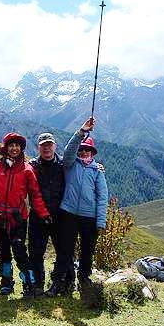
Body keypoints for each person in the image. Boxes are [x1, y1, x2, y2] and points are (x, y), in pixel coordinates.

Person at [0, 132, 50, 296]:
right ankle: (6, 282)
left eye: (17, 146)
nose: (14, 148)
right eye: (11, 145)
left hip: (18, 219)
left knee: (19, 251)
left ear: (21, 149)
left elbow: (35, 194)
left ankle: (28, 283)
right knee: (4, 252)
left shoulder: (27, 170)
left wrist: (43, 213)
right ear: (6, 148)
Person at [47, 118, 108, 297]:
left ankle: (84, 281)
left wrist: (101, 221)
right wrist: (81, 132)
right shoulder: (69, 165)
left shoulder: (97, 171)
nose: (83, 152)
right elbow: (68, 151)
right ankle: (58, 282)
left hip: (89, 218)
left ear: (92, 152)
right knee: (64, 251)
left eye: (87, 150)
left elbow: (102, 197)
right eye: (81, 149)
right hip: (68, 214)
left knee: (87, 252)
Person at [28, 132, 65, 295]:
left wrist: (96, 166)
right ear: (39, 148)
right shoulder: (32, 165)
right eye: (43, 145)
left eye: (49, 144)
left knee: (63, 252)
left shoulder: (65, 164)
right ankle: (37, 284)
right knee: (36, 253)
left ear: (55, 146)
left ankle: (61, 283)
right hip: (37, 217)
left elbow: (84, 166)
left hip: (60, 217)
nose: (47, 148)